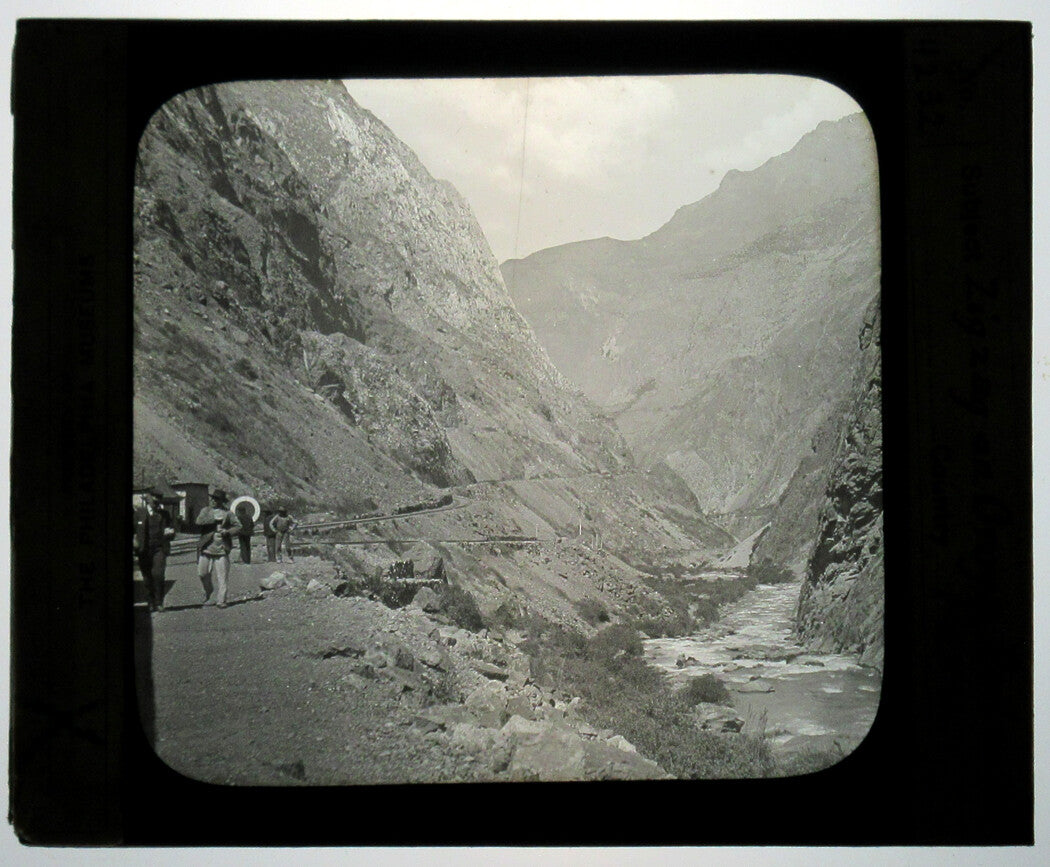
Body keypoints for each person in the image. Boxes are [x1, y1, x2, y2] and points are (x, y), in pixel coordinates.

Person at [133, 487, 175, 612]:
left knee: (158, 574)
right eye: (154, 500)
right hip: (143, 550)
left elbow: (172, 530)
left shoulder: (165, 514)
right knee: (147, 577)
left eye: (158, 501)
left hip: (159, 548)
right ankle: (150, 601)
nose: (156, 503)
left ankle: (159, 602)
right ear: (148, 500)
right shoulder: (139, 513)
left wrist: (170, 533)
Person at [195, 488, 238, 608]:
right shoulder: (205, 511)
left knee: (222, 577)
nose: (214, 501)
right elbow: (198, 522)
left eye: (217, 499)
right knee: (202, 573)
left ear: (221, 501)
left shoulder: (228, 513)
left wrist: (228, 531)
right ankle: (208, 591)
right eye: (213, 498)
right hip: (206, 547)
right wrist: (212, 520)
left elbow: (238, 526)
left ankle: (221, 600)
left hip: (222, 549)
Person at [234, 498, 255, 564]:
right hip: (248, 533)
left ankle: (244, 560)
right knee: (248, 546)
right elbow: (252, 524)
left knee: (243, 546)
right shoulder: (249, 517)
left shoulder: (239, 517)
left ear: (240, 511)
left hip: (241, 533)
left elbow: (237, 526)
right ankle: (248, 560)